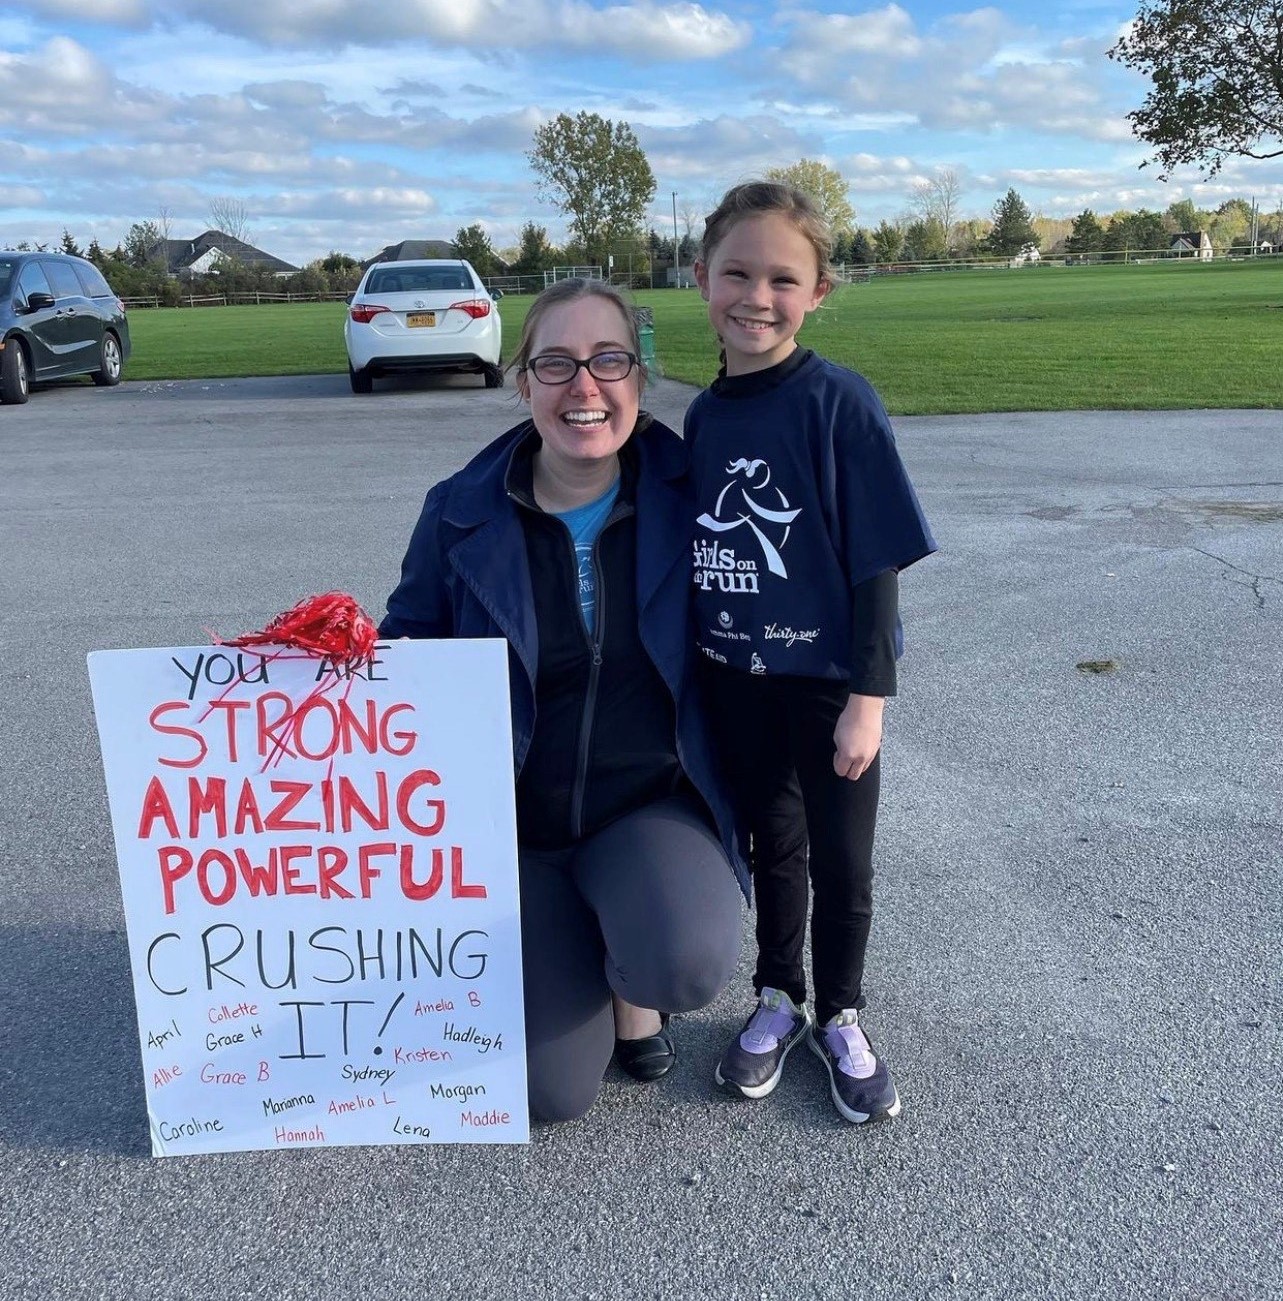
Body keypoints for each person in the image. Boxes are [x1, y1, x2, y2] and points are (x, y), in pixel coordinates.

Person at [380, 278, 748, 1124]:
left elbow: (785, 588)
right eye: (556, 363)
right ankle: (576, 939)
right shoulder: (458, 512)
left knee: (683, 963)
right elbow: (407, 647)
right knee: (552, 1094)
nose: (584, 386)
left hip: (645, 809)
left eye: (607, 360)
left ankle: (631, 981)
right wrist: (304, 671)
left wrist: (863, 672)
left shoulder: (692, 499)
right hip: (512, 830)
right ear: (522, 384)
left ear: (638, 378)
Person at [687, 181, 937, 1124]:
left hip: (826, 685)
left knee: (843, 858)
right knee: (771, 844)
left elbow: (876, 563)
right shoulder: (706, 416)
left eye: (781, 279)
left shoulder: (838, 402)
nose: (756, 295)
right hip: (736, 680)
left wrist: (868, 697)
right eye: (736, 273)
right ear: (701, 278)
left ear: (818, 292)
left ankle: (840, 1010)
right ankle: (777, 995)